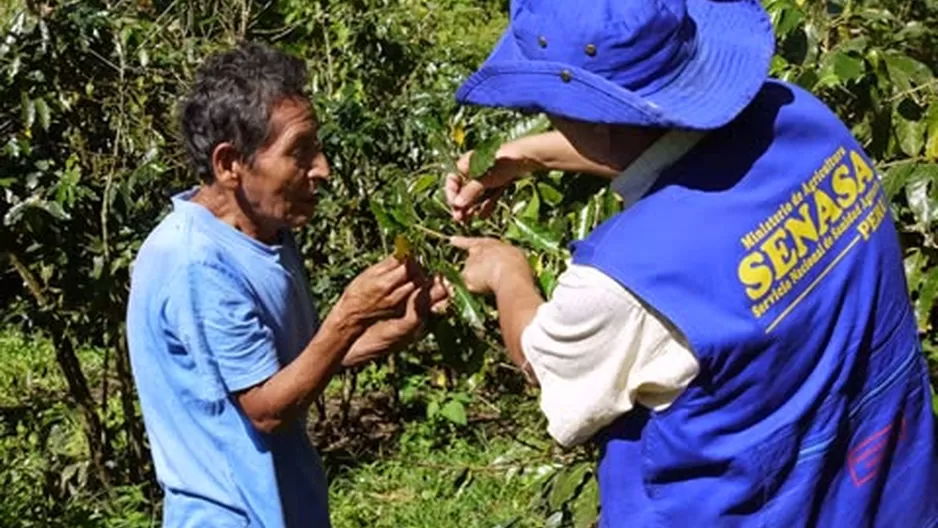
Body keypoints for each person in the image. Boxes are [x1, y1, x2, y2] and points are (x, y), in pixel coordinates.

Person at [445, 0, 938, 526]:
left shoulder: (627, 281)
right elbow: (663, 143)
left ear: (596, 119)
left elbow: (546, 365)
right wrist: (530, 156)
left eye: (556, 109)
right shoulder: (803, 119)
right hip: (887, 492)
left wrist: (505, 273)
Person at [126, 42, 448, 527]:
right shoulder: (196, 263)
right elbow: (267, 411)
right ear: (229, 163)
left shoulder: (266, 231)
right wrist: (350, 314)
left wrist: (395, 328)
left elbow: (289, 365)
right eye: (299, 151)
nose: (322, 168)